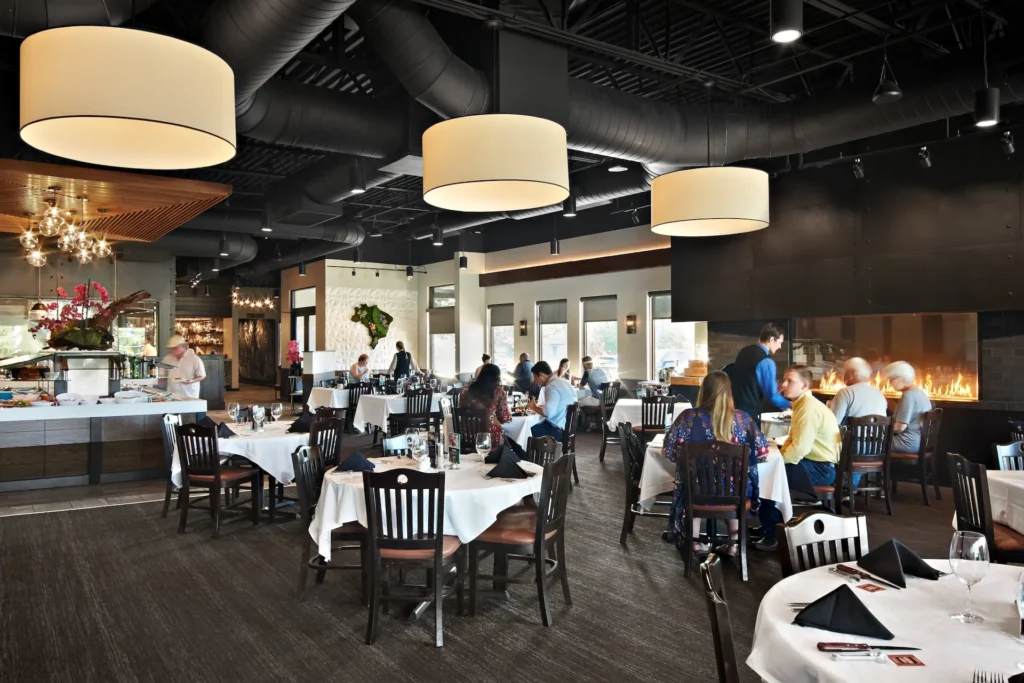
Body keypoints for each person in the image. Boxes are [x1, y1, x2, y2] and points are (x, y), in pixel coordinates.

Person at [664, 371, 770, 556]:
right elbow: (762, 453)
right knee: (733, 484)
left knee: (692, 484)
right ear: (729, 392)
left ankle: (695, 544)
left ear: (703, 391)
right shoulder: (743, 419)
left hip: (697, 491)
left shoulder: (687, 418)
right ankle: (733, 545)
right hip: (735, 492)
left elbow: (670, 451)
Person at [755, 365, 842, 551]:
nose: (784, 384)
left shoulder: (808, 408)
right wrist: (777, 459)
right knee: (768, 473)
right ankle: (770, 528)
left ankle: (773, 535)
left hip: (821, 469)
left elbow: (800, 448)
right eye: (784, 380)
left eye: (790, 381)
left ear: (804, 386)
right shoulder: (802, 404)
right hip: (815, 463)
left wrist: (775, 463)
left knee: (769, 477)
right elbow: (793, 441)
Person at [728, 322, 790, 422]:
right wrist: (791, 405)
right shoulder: (766, 362)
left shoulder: (744, 351)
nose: (780, 346)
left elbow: (747, 379)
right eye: (779, 342)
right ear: (771, 340)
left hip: (735, 409)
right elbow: (772, 395)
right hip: (750, 414)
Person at [461, 364, 525, 456]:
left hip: (467, 434)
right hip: (489, 436)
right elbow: (504, 418)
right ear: (497, 377)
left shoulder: (466, 390)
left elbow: (462, 409)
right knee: (514, 445)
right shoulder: (498, 391)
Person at [886, 361, 933, 454]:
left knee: (871, 443)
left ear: (902, 379)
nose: (890, 382)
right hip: (921, 442)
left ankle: (871, 468)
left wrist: (881, 431)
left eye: (892, 378)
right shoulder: (919, 392)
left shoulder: (908, 395)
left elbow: (900, 427)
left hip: (907, 443)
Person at [830, 357, 887, 425]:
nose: (844, 376)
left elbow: (833, 422)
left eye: (846, 372)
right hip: (880, 435)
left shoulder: (845, 392)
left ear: (852, 373)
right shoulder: (880, 394)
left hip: (851, 435)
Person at [528, 361, 578, 440]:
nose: (536, 381)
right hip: (567, 429)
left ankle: (530, 452)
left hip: (556, 431)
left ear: (541, 375)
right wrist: (543, 407)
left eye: (535, 377)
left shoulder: (551, 386)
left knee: (525, 432)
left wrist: (533, 407)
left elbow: (548, 413)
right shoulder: (564, 382)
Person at [160, 334, 206, 399]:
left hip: (190, 395)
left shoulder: (194, 359)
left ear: (184, 346)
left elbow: (202, 375)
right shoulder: (167, 358)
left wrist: (192, 380)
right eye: (172, 348)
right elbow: (162, 374)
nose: (173, 350)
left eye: (176, 348)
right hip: (172, 395)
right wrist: (160, 381)